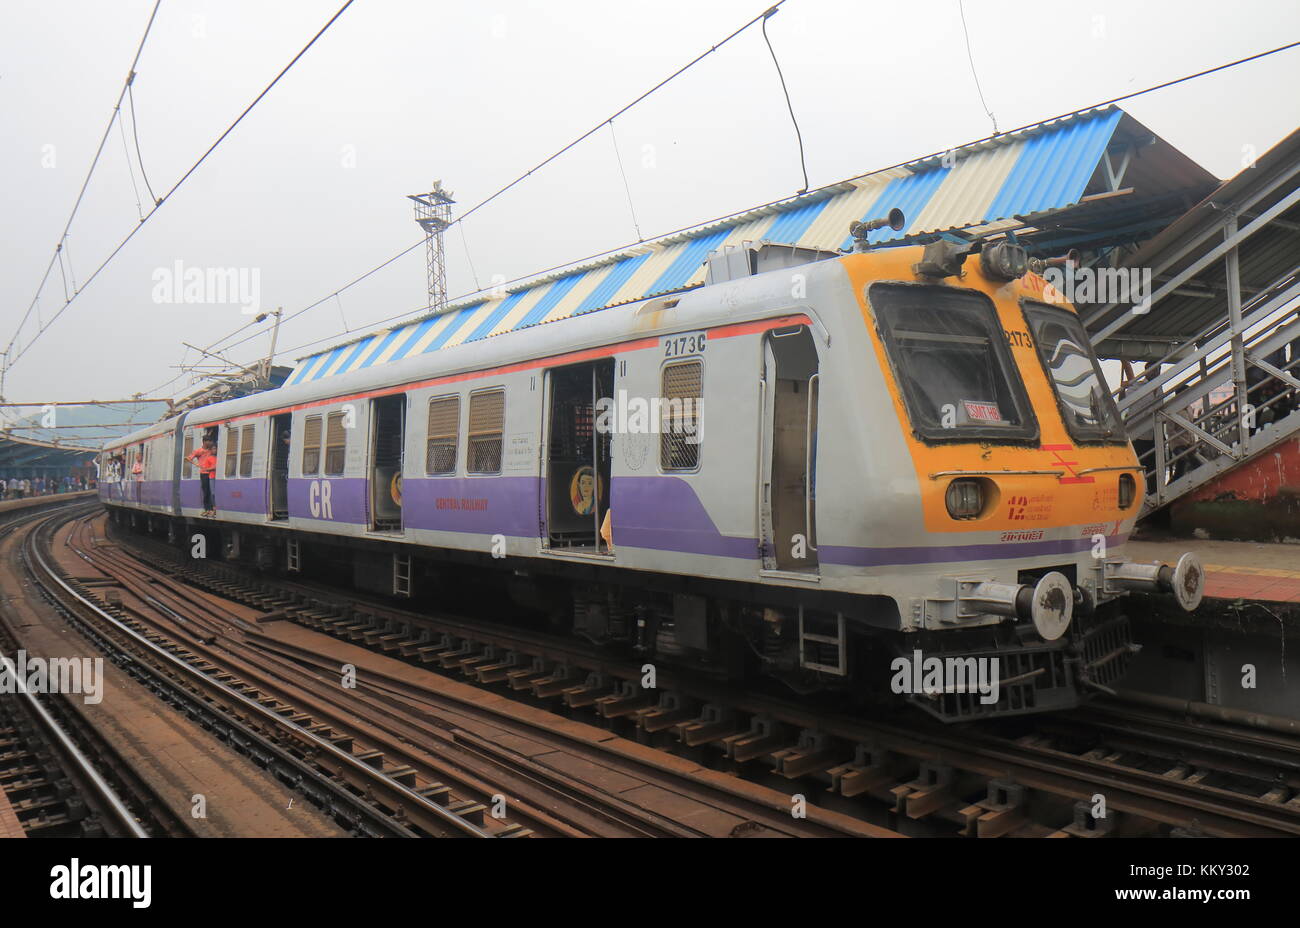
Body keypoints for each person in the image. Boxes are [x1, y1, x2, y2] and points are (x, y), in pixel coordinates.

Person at [187, 438, 218, 517]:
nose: (210, 442)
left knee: (211, 491)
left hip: (210, 473)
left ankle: (211, 509)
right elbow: (188, 458)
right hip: (204, 473)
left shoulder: (210, 450)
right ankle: (207, 508)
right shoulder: (199, 451)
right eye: (208, 441)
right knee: (206, 492)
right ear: (204, 442)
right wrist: (196, 464)